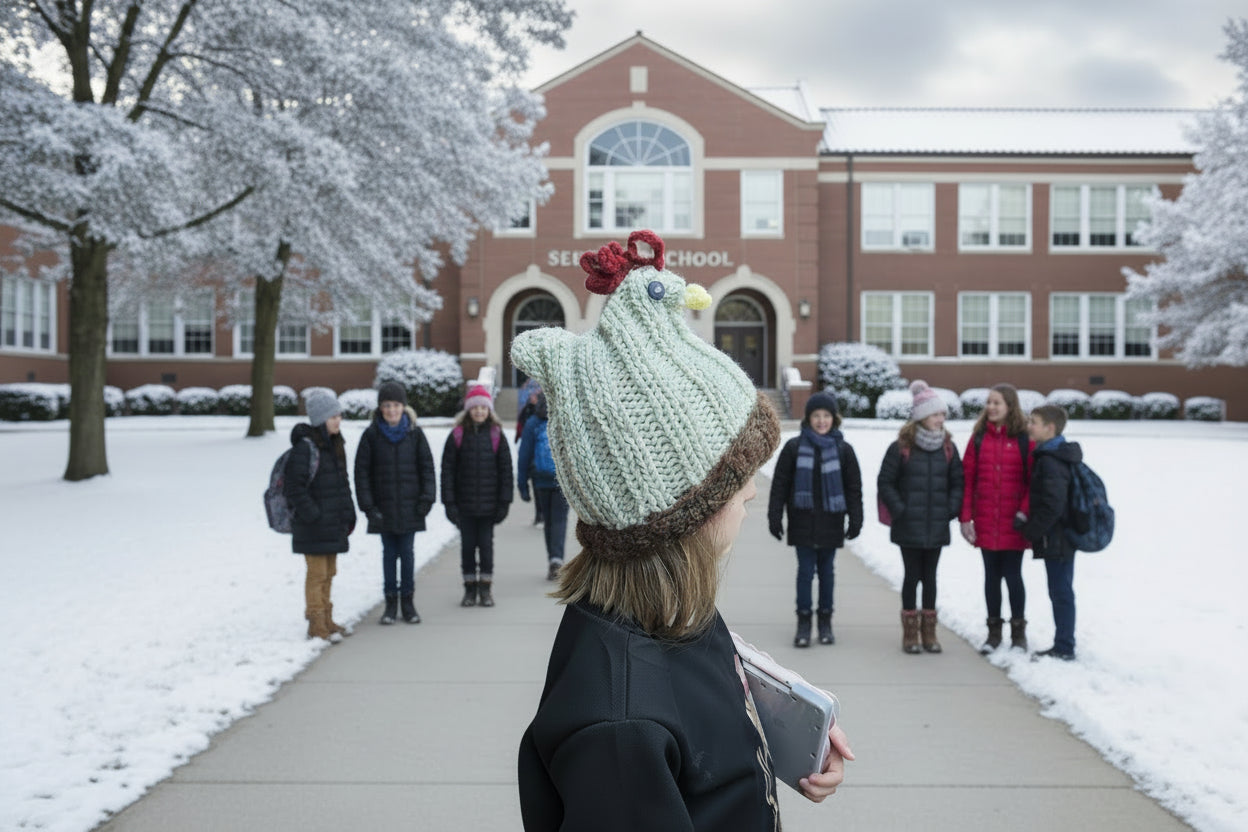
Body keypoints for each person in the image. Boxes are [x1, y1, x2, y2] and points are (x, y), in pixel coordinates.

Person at [513, 230, 853, 830]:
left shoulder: (667, 609)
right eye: (734, 477)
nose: (752, 490)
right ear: (675, 515)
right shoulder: (620, 732)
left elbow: (705, 674)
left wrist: (782, 726)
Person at [767, 390, 863, 647]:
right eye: (816, 416)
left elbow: (854, 489)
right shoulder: (794, 447)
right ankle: (804, 622)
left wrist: (856, 519)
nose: (821, 421)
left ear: (834, 418)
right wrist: (774, 517)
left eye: (826, 415)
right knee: (805, 573)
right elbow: (780, 485)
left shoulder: (844, 450)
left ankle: (825, 622)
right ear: (808, 418)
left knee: (827, 573)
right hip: (802, 523)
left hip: (831, 523)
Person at [877, 381, 964, 654]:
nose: (941, 419)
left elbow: (958, 482)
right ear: (922, 416)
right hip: (909, 525)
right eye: (936, 414)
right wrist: (901, 509)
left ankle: (930, 633)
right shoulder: (901, 446)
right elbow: (885, 482)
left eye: (943, 415)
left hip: (937, 524)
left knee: (931, 577)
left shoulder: (948, 447)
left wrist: (950, 509)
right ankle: (910, 634)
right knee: (912, 576)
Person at [959, 383, 1034, 653]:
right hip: (986, 520)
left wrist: (1024, 512)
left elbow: (1031, 482)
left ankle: (1018, 633)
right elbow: (967, 479)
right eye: (989, 402)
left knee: (1014, 576)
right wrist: (965, 517)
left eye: (997, 403)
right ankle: (993, 632)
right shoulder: (979, 437)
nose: (991, 407)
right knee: (991, 577)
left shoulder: (1025, 438)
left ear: (1010, 407)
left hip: (1015, 523)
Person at [353, 381, 436, 625]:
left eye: (396, 405)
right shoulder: (371, 436)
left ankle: (408, 603)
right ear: (380, 408)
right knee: (389, 555)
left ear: (404, 407)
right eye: (387, 406)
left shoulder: (415, 434)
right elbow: (362, 474)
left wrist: (426, 499)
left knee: (407, 555)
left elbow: (427, 469)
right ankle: (390, 604)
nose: (392, 410)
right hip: (383, 509)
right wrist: (369, 507)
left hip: (410, 508)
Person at [285, 389, 357, 642]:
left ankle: (327, 617)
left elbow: (342, 483)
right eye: (332, 416)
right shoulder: (306, 449)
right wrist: (312, 514)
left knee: (329, 572)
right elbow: (293, 488)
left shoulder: (335, 445)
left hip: (332, 522)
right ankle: (315, 622)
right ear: (319, 419)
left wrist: (349, 512)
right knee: (316, 574)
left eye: (339, 415)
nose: (338, 420)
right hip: (313, 525)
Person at [1016, 405, 1082, 661]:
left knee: (1061, 591)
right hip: (1061, 534)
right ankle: (1064, 642)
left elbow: (1053, 503)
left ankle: (1064, 646)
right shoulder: (1054, 454)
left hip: (1059, 536)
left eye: (1034, 422)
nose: (1029, 426)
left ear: (1050, 428)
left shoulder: (1051, 460)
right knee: (1061, 589)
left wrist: (1031, 531)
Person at [441, 384, 513, 608]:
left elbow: (506, 471)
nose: (479, 411)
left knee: (486, 547)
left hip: (489, 507)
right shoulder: (457, 436)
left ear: (489, 409)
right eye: (475, 407)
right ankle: (470, 589)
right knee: (467, 548)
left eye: (483, 407)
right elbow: (447, 471)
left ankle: (486, 588)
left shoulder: (496, 436)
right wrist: (449, 503)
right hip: (465, 506)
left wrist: (504, 502)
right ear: (468, 410)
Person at [516, 392, 569, 581]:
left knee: (548, 521)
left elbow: (524, 455)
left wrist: (522, 484)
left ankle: (552, 560)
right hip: (562, 480)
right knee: (560, 521)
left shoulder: (533, 422)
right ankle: (557, 558)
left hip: (541, 480)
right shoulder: (564, 419)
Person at [515, 379, 544, 525]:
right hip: (534, 453)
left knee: (540, 488)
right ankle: (540, 514)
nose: (532, 396)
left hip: (537, 455)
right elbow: (520, 424)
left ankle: (541, 514)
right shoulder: (528, 410)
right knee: (539, 487)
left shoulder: (536, 415)